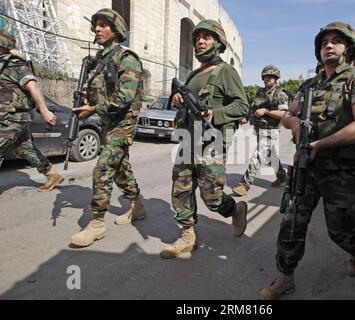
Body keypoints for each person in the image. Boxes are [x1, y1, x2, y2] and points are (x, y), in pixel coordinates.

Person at [259, 22, 355, 300]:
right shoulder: (310, 85)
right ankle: (285, 277)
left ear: (348, 48)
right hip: (306, 167)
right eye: (325, 42)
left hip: (343, 171)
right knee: (291, 224)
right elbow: (288, 115)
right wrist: (295, 124)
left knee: (340, 231)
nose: (329, 45)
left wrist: (322, 144)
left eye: (336, 41)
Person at [160, 19, 249, 259]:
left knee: (212, 197)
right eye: (198, 37)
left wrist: (214, 113)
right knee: (181, 189)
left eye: (207, 37)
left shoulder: (226, 72)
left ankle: (235, 209)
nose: (200, 41)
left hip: (211, 144)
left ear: (218, 43)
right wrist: (178, 100)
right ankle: (187, 235)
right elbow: (184, 103)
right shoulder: (193, 75)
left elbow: (242, 106)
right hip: (187, 140)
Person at [70, 9, 146, 247]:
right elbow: (99, 93)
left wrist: (93, 109)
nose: (97, 29)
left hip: (123, 124)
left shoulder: (127, 59)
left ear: (116, 31)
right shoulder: (100, 61)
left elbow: (124, 98)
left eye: (103, 25)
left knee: (102, 169)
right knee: (120, 168)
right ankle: (137, 206)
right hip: (108, 123)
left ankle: (97, 223)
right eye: (96, 26)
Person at [0, 26, 64, 192]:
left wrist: (44, 111)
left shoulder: (15, 65)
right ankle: (52, 174)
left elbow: (33, 87)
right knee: (26, 149)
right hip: (7, 117)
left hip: (14, 118)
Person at [232, 65, 288, 197]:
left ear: (276, 78)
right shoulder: (260, 92)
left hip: (271, 130)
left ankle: (244, 185)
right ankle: (282, 177)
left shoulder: (281, 94)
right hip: (258, 129)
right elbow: (252, 108)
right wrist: (246, 117)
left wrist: (266, 111)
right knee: (270, 156)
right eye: (265, 76)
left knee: (258, 155)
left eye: (271, 77)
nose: (267, 79)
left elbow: (284, 114)